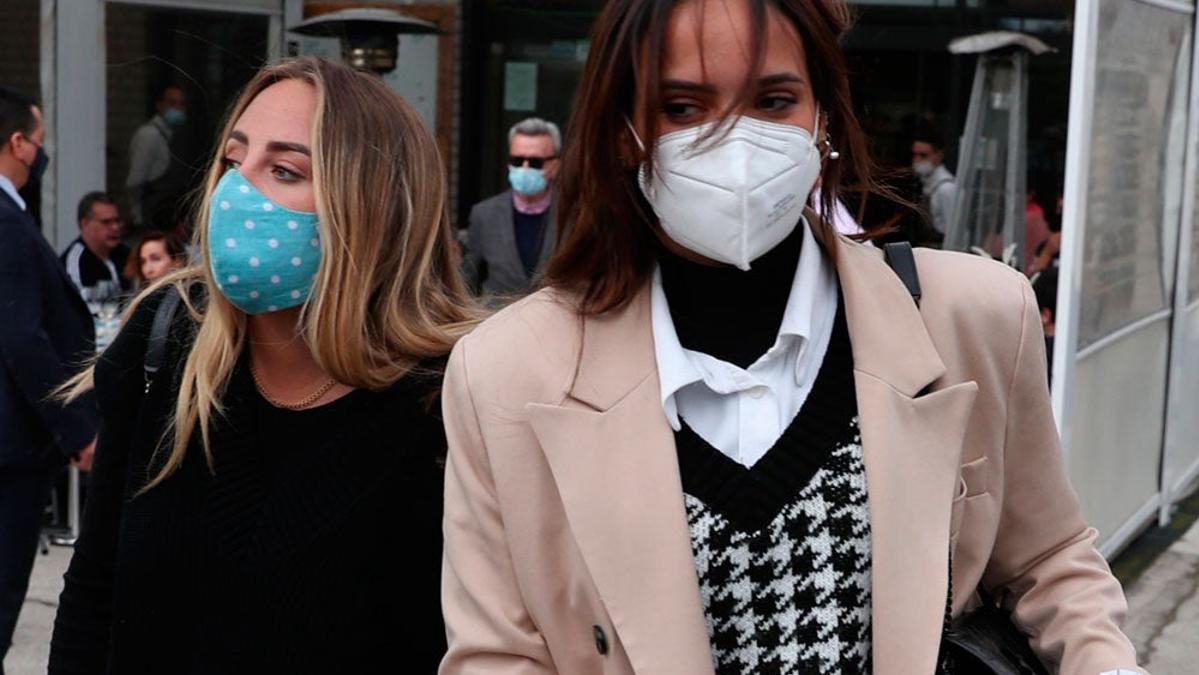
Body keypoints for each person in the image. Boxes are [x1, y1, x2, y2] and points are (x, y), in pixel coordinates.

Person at [438, 2, 1143, 674]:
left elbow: (1049, 561)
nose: (731, 141)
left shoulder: (972, 317)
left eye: (773, 100)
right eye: (682, 107)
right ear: (624, 130)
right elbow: (500, 651)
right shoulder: (505, 373)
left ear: (823, 118)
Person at [49, 57, 479, 675]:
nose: (236, 192)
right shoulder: (166, 337)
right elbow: (95, 585)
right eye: (232, 160)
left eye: (283, 169)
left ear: (373, 207)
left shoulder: (451, 401)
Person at [0, 86, 98, 672]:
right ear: (17, 143)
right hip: (10, 450)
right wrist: (78, 429)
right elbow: (21, 339)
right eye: (39, 142)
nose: (42, 154)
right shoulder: (7, 225)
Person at [461, 117, 560, 298]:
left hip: (555, 322)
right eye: (517, 160)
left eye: (535, 162)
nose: (525, 168)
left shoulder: (575, 215)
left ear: (554, 166)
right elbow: (467, 279)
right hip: (498, 320)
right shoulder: (484, 214)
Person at [125, 84, 187, 231]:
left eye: (181, 104)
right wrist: (137, 216)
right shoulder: (149, 135)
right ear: (159, 106)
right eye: (172, 103)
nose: (177, 108)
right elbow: (135, 180)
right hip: (150, 218)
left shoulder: (169, 136)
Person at [61, 192, 132, 302]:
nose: (115, 227)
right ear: (85, 224)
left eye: (117, 221)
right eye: (106, 222)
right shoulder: (75, 262)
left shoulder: (127, 254)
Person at [912, 127, 956, 235]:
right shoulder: (925, 182)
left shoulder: (946, 188)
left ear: (939, 156)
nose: (917, 160)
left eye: (923, 155)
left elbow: (953, 230)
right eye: (914, 155)